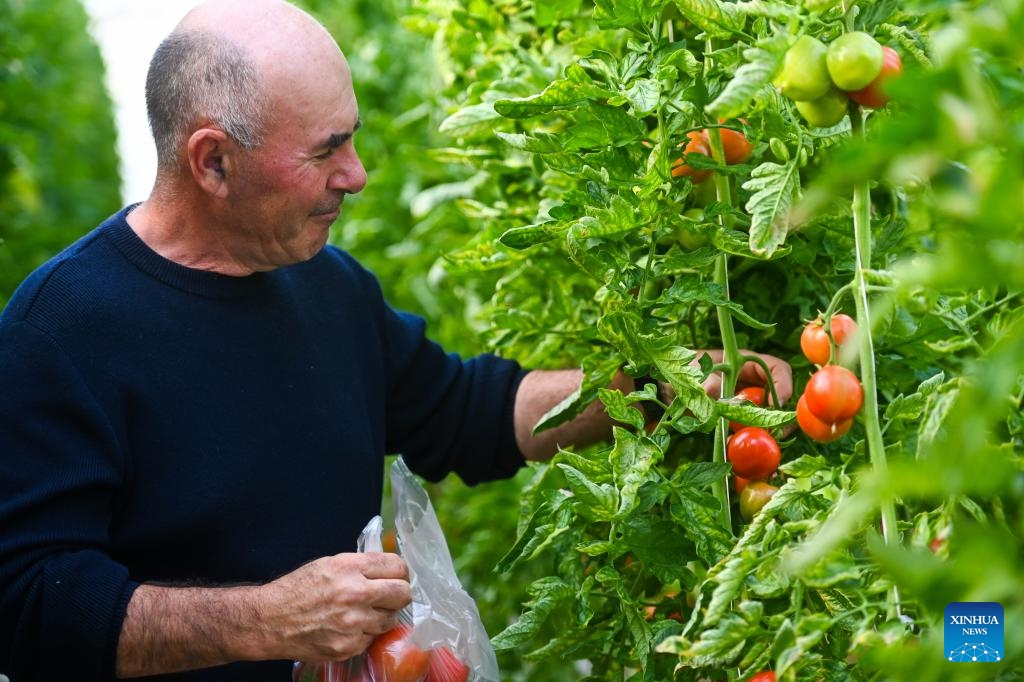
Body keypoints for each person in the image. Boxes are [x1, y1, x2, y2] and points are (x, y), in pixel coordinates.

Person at [0, 1, 793, 680]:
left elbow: (468, 412)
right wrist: (267, 620)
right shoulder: (61, 334)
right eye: (325, 151)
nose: (358, 174)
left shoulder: (329, 288)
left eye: (352, 137)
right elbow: (27, 604)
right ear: (213, 161)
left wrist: (657, 389)